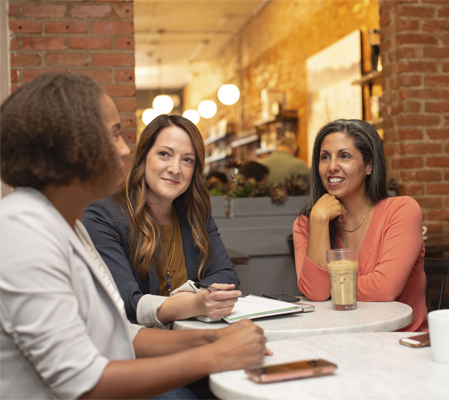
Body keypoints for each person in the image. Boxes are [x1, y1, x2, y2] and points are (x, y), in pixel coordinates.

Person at [0, 72, 268, 399]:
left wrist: (211, 339)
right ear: (71, 146)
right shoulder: (21, 229)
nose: (126, 151)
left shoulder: (68, 226)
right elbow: (80, 382)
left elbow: (121, 334)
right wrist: (214, 355)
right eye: (114, 136)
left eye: (187, 160)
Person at [82, 115, 240, 329]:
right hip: (137, 349)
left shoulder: (196, 213)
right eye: (164, 154)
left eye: (187, 160)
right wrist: (193, 303)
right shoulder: (103, 217)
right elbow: (125, 302)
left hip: (194, 340)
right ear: (143, 157)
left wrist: (188, 302)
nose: (175, 169)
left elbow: (226, 276)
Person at [293, 119, 427, 332]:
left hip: (401, 344)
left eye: (344, 156)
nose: (332, 166)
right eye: (325, 157)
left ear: (369, 165)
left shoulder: (402, 210)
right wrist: (318, 221)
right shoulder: (307, 224)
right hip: (342, 342)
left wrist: (331, 287)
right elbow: (317, 293)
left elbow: (385, 289)